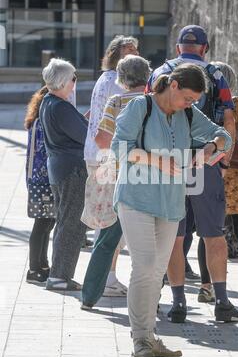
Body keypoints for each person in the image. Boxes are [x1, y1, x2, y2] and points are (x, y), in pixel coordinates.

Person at [112, 63, 233, 357]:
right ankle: (140, 339)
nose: (189, 105)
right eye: (188, 98)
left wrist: (209, 148)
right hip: (135, 198)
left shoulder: (188, 114)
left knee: (156, 272)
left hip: (170, 203)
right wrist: (157, 162)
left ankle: (150, 336)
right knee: (145, 266)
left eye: (193, 102)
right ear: (174, 86)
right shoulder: (141, 107)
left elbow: (223, 136)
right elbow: (118, 149)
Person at [147, 25, 238, 324]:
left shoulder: (160, 73)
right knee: (213, 233)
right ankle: (223, 302)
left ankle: (178, 303)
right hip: (205, 162)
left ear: (178, 48)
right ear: (205, 48)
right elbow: (228, 118)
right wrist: (223, 162)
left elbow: (149, 114)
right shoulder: (215, 75)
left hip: (168, 164)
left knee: (175, 236)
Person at [81, 55, 151, 309]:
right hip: (151, 178)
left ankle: (89, 296)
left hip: (121, 177)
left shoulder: (117, 101)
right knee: (150, 242)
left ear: (121, 79)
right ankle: (149, 299)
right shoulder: (154, 103)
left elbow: (101, 140)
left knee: (107, 239)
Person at [195, 62, 238, 304]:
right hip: (235, 176)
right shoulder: (235, 104)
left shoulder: (198, 104)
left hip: (208, 172)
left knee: (208, 232)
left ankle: (206, 287)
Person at [39, 58, 88, 291]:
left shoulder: (49, 102)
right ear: (63, 81)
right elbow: (86, 137)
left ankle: (59, 274)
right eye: (73, 78)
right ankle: (60, 276)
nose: (74, 83)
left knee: (65, 222)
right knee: (72, 224)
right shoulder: (60, 106)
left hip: (60, 169)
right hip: (72, 171)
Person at [25, 86, 55, 283]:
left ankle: (42, 264)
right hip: (42, 180)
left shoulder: (37, 121)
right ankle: (34, 268)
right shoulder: (41, 124)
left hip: (40, 179)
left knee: (47, 223)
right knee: (42, 223)